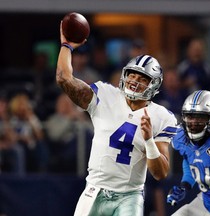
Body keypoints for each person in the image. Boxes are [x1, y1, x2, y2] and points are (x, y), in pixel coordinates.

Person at [56, 21, 178, 216]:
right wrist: (67, 46)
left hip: (129, 196)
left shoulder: (162, 116)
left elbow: (160, 173)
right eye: (132, 75)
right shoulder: (106, 95)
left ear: (153, 85)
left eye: (142, 78)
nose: (135, 81)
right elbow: (64, 78)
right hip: (94, 189)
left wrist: (148, 141)